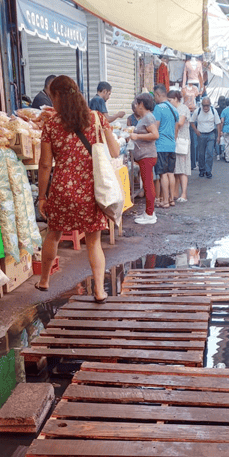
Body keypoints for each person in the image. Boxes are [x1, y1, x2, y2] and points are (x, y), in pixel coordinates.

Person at [36, 75, 120, 302]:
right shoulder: (96, 118)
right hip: (90, 190)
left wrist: (41, 197)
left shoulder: (51, 125)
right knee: (93, 242)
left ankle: (44, 280)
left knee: (53, 234)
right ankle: (100, 291)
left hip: (62, 190)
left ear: (56, 97)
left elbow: (45, 164)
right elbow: (115, 151)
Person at [129, 93, 158, 225]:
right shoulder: (145, 118)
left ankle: (150, 214)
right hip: (144, 156)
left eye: (136, 103)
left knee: (148, 185)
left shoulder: (148, 117)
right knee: (147, 184)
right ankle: (149, 212)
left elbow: (155, 135)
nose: (135, 106)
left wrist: (137, 137)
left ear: (141, 104)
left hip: (147, 156)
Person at [152, 82, 179, 209]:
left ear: (158, 95)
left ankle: (165, 201)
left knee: (163, 174)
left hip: (161, 145)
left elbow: (155, 128)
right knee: (170, 173)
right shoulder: (174, 108)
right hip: (172, 145)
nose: (154, 98)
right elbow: (176, 129)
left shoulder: (158, 108)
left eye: (154, 96)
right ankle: (171, 199)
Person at [167, 89, 190, 203]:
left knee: (183, 169)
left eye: (170, 100)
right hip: (174, 141)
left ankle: (184, 194)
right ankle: (175, 193)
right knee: (175, 168)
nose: (169, 102)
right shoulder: (173, 108)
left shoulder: (183, 108)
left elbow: (180, 123)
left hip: (182, 140)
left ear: (176, 99)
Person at [190, 96, 221, 179]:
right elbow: (191, 121)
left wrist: (218, 136)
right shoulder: (198, 111)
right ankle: (202, 170)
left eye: (207, 105)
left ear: (210, 105)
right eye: (204, 105)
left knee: (210, 153)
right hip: (201, 135)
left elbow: (218, 124)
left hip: (211, 134)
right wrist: (196, 131)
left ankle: (208, 171)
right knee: (201, 154)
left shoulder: (214, 111)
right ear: (202, 105)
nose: (206, 107)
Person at [181, 83, 200, 169]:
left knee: (193, 141)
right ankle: (188, 163)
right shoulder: (183, 89)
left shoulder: (195, 89)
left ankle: (192, 163)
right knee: (186, 141)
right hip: (185, 115)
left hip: (192, 114)